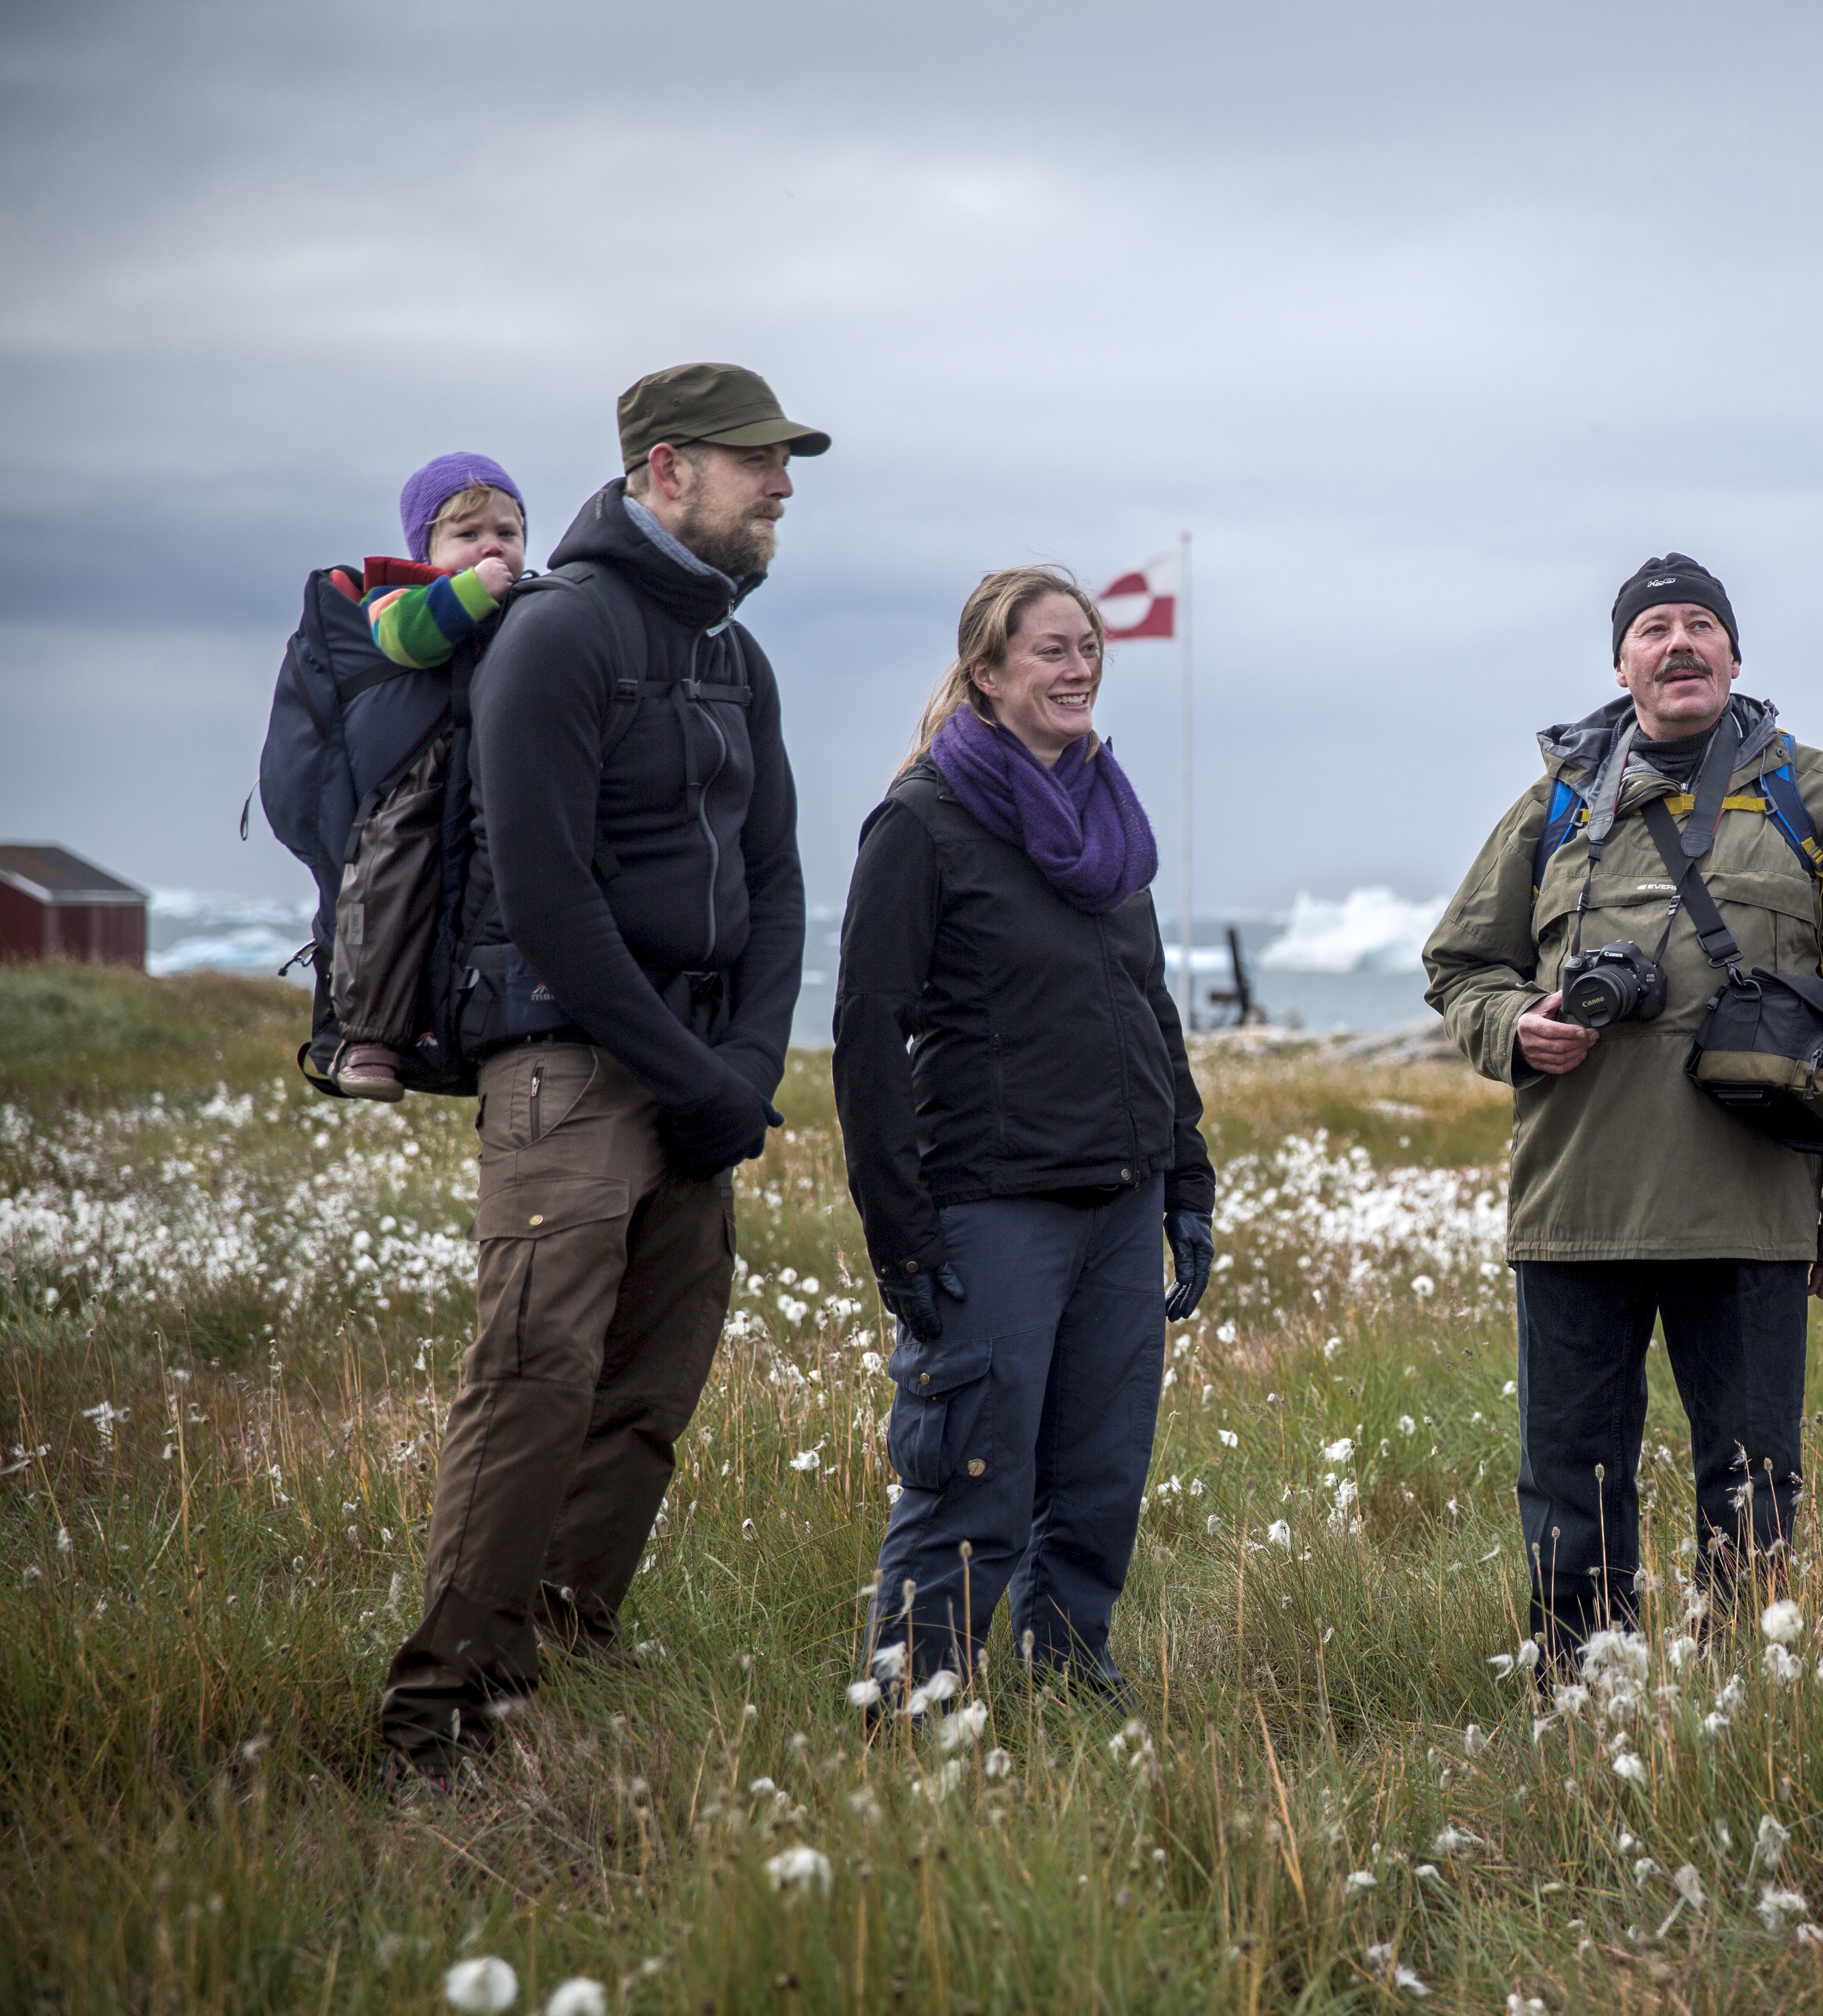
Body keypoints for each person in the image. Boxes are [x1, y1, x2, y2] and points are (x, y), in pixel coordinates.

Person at [376, 363, 823, 1771]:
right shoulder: (558, 631)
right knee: (533, 1376)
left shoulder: (736, 658)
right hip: (566, 1067)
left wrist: (742, 1068)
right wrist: (691, 1074)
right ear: (666, 468)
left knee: (649, 1385)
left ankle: (563, 1655)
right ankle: (442, 1712)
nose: (783, 486)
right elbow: (549, 897)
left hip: (695, 1070)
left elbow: (778, 881)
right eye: (758, 462)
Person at [1423, 554, 1823, 1664]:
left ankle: (1741, 1701)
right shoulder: (1555, 806)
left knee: (1752, 1481)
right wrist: (1517, 1027)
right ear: (1622, 665)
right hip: (1576, 1207)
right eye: (1654, 629)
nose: (1679, 643)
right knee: (1569, 1479)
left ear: (1735, 655)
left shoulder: (1813, 795)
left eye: (1702, 624)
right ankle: (1581, 1696)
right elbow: (1459, 968)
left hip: (1751, 1209)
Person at [834, 566, 1216, 1705]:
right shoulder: (922, 822)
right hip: (994, 1205)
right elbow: (867, 1037)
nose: (1079, 667)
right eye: (1052, 650)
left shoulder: (1109, 820)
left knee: (1101, 1475)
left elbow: (1149, 1006)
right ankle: (917, 1709)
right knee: (973, 1477)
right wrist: (902, 1239)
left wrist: (1187, 1182)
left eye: (1088, 647)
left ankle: (1068, 1681)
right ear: (988, 674)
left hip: (1121, 1200)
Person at [327, 453, 530, 1101]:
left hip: (492, 769)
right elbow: (408, 640)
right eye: (468, 535)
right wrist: (475, 591)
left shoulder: (531, 603)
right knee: (394, 878)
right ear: (427, 548)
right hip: (420, 776)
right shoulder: (398, 597)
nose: (491, 546)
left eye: (507, 532)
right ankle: (370, 1036)